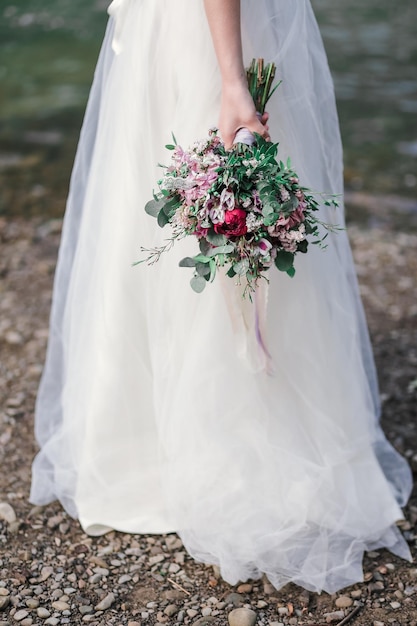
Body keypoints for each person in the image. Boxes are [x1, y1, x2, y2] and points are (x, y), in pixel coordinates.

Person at [30, 0, 412, 594]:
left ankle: (140, 444)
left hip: (173, 25)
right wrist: (232, 78)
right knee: (216, 204)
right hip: (214, 32)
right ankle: (228, 451)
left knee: (160, 211)